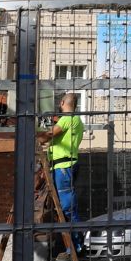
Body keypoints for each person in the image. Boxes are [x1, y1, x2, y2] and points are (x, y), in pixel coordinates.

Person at [40, 93, 84, 250]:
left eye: (60, 101)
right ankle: (72, 244)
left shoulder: (67, 119)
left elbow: (51, 133)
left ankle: (77, 243)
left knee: (66, 206)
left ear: (63, 102)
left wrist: (37, 138)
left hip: (63, 166)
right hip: (65, 165)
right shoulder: (77, 120)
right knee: (63, 206)